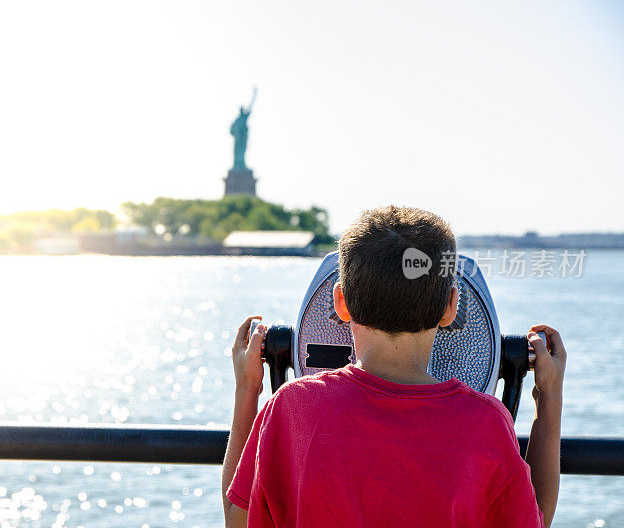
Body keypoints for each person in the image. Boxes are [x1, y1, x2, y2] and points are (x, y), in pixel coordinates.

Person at [222, 205, 565, 527]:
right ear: (451, 306)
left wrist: (247, 389)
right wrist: (548, 397)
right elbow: (535, 519)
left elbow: (237, 518)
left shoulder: (290, 408)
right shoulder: (487, 423)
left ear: (340, 302)